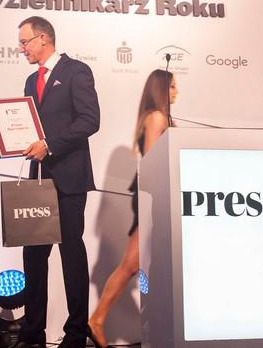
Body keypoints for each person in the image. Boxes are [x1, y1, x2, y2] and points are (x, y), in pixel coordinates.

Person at [0, 16, 100, 348]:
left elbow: (90, 120)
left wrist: (50, 144)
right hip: (39, 182)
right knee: (33, 256)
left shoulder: (76, 72)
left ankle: (76, 334)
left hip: (70, 180)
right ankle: (32, 334)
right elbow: (23, 129)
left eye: (24, 42)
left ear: (43, 38)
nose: (21, 49)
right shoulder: (32, 81)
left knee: (71, 254)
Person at [87, 69, 177, 348]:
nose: (176, 92)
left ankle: (155, 327)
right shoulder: (158, 117)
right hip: (153, 195)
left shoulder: (155, 116)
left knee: (140, 264)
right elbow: (151, 158)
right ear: (161, 89)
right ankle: (96, 320)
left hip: (155, 194)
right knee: (131, 264)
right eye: (172, 87)